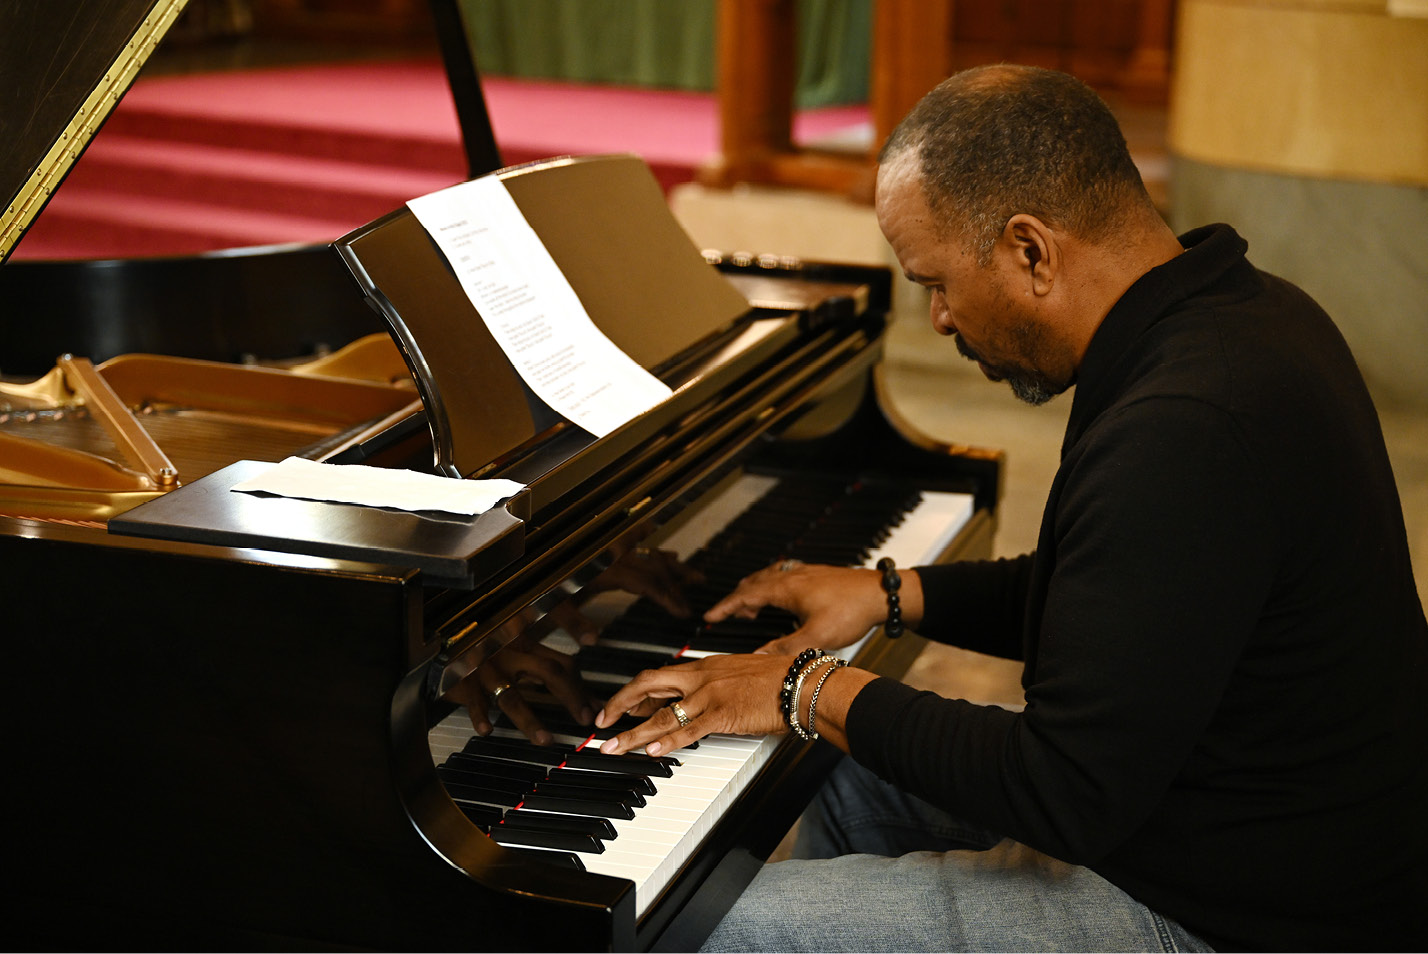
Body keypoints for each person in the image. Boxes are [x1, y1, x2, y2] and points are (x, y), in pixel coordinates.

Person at [592, 64, 1428, 951]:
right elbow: (1119, 594)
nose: (940, 318)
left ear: (1030, 250)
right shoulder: (1246, 316)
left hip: (1249, 912)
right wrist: (894, 593)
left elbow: (1061, 790)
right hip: (1240, 815)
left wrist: (805, 686)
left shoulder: (1183, 425)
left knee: (701, 931)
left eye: (938, 282)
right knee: (843, 777)